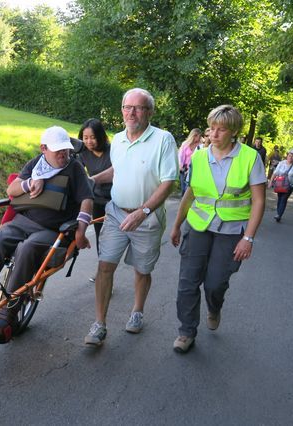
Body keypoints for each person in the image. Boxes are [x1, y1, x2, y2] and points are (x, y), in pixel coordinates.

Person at [0, 126, 94, 344]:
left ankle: (6, 317)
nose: (63, 154)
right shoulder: (36, 163)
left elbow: (86, 200)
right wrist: (30, 183)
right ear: (43, 149)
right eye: (57, 151)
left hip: (52, 230)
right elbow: (12, 190)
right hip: (23, 221)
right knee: (0, 237)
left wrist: (81, 233)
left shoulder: (74, 168)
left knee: (27, 248)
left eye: (65, 150)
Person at [84, 88, 179, 346]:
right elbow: (118, 170)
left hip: (146, 219)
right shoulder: (118, 139)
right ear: (122, 110)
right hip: (116, 213)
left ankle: (137, 311)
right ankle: (99, 324)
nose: (131, 113)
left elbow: (169, 181)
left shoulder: (163, 139)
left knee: (142, 269)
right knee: (105, 265)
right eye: (127, 107)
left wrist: (143, 211)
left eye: (138, 108)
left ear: (149, 112)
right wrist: (91, 180)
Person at [169, 105, 266, 354]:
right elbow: (190, 193)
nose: (214, 134)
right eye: (212, 128)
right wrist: (178, 224)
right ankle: (186, 331)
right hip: (198, 225)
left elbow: (258, 200)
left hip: (231, 230)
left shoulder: (250, 157)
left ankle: (214, 306)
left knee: (214, 283)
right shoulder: (200, 156)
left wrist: (248, 238)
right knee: (188, 282)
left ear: (233, 132)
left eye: (221, 129)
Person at [77, 118, 112, 255]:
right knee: (100, 235)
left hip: (116, 199)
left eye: (92, 137)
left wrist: (90, 180)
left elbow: (117, 172)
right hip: (97, 199)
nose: (89, 141)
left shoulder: (113, 150)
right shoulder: (83, 152)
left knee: (116, 235)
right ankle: (102, 269)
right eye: (85, 138)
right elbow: (77, 172)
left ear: (100, 137)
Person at [268, 148, 293, 222]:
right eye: (289, 156)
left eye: (292, 156)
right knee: (280, 199)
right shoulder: (281, 163)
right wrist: (270, 182)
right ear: (287, 156)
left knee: (284, 199)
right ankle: (278, 213)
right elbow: (275, 173)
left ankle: (279, 215)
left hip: (289, 186)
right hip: (279, 184)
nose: (290, 157)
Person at [178, 128, 202, 195]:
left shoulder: (200, 146)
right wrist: (181, 167)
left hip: (194, 169)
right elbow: (180, 156)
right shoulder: (185, 144)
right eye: (197, 135)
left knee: (189, 189)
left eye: (199, 136)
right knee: (183, 189)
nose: (198, 137)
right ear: (193, 135)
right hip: (184, 169)